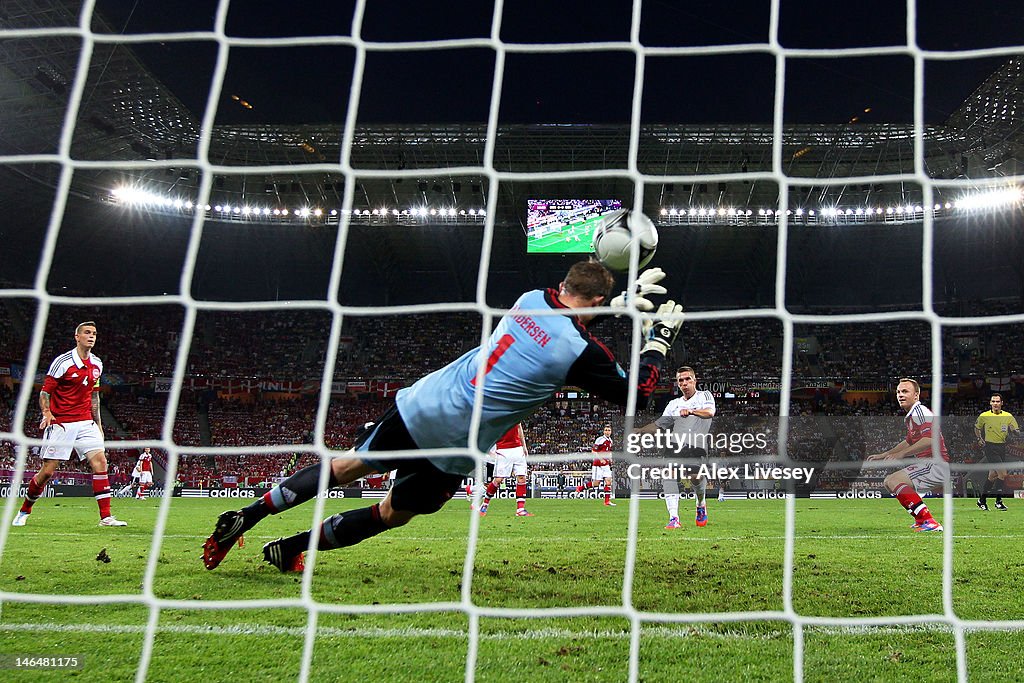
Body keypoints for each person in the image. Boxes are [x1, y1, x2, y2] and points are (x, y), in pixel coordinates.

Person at [203, 261, 681, 572]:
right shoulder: (579, 352)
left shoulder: (531, 298)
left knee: (346, 465)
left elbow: (566, 312)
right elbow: (638, 390)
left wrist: (615, 302)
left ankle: (247, 516)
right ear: (595, 302)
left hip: (424, 402)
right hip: (456, 441)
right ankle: (291, 547)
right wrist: (658, 337)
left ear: (562, 287)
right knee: (394, 512)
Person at [12, 321, 127, 527]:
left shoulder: (97, 364)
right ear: (77, 337)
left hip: (85, 422)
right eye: (87, 333)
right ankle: (24, 510)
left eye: (94, 333)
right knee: (48, 471)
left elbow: (94, 397)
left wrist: (98, 424)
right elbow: (45, 392)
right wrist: (46, 412)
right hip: (62, 423)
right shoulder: (63, 362)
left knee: (100, 463)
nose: (91, 336)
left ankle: (106, 517)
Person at [865, 378, 949, 532]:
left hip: (935, 463)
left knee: (894, 480)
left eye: (905, 391)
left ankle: (929, 521)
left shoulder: (920, 412)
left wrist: (901, 455)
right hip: (929, 464)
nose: (900, 395)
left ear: (916, 395)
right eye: (898, 392)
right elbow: (909, 441)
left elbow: (929, 439)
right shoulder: (911, 416)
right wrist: (885, 454)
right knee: (889, 481)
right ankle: (921, 520)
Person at [639, 366, 716, 528]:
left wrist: (692, 411)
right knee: (668, 473)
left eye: (688, 379)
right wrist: (639, 430)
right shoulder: (674, 404)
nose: (685, 383)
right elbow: (659, 424)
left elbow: (710, 412)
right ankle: (674, 518)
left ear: (695, 380)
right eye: (681, 380)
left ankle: (701, 504)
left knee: (696, 477)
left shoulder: (705, 395)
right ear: (678, 384)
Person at [974, 393, 1019, 511]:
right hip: (990, 447)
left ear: (1002, 403)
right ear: (990, 403)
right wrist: (979, 439)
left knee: (992, 475)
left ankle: (981, 500)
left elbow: (1016, 429)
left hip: (1002, 447)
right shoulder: (984, 416)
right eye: (993, 401)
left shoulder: (1008, 416)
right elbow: (977, 427)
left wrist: (1015, 431)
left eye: (997, 401)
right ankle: (998, 501)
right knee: (1003, 474)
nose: (995, 404)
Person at [479, 423, 533, 517]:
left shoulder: (517, 413)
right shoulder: (499, 415)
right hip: (503, 450)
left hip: (517, 448)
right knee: (498, 480)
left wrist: (524, 447)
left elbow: (519, 427)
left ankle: (520, 509)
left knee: (522, 477)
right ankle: (485, 504)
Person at [576, 424, 617, 506]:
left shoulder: (610, 441)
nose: (607, 432)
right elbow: (594, 451)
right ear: (603, 431)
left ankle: (607, 501)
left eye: (609, 430)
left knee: (608, 481)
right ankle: (580, 488)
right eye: (606, 430)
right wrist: (601, 459)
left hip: (606, 465)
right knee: (596, 483)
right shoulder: (600, 440)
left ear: (611, 431)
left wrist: (611, 460)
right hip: (598, 464)